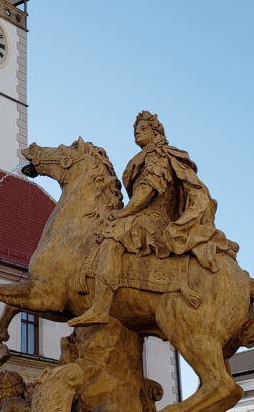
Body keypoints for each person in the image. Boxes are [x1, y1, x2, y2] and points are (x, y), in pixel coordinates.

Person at [69, 111, 235, 326]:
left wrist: (123, 213)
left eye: (143, 129)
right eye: (135, 131)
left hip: (152, 219)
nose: (137, 134)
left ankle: (100, 308)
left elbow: (147, 192)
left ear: (157, 132)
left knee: (111, 242)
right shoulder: (146, 156)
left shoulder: (159, 155)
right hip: (141, 215)